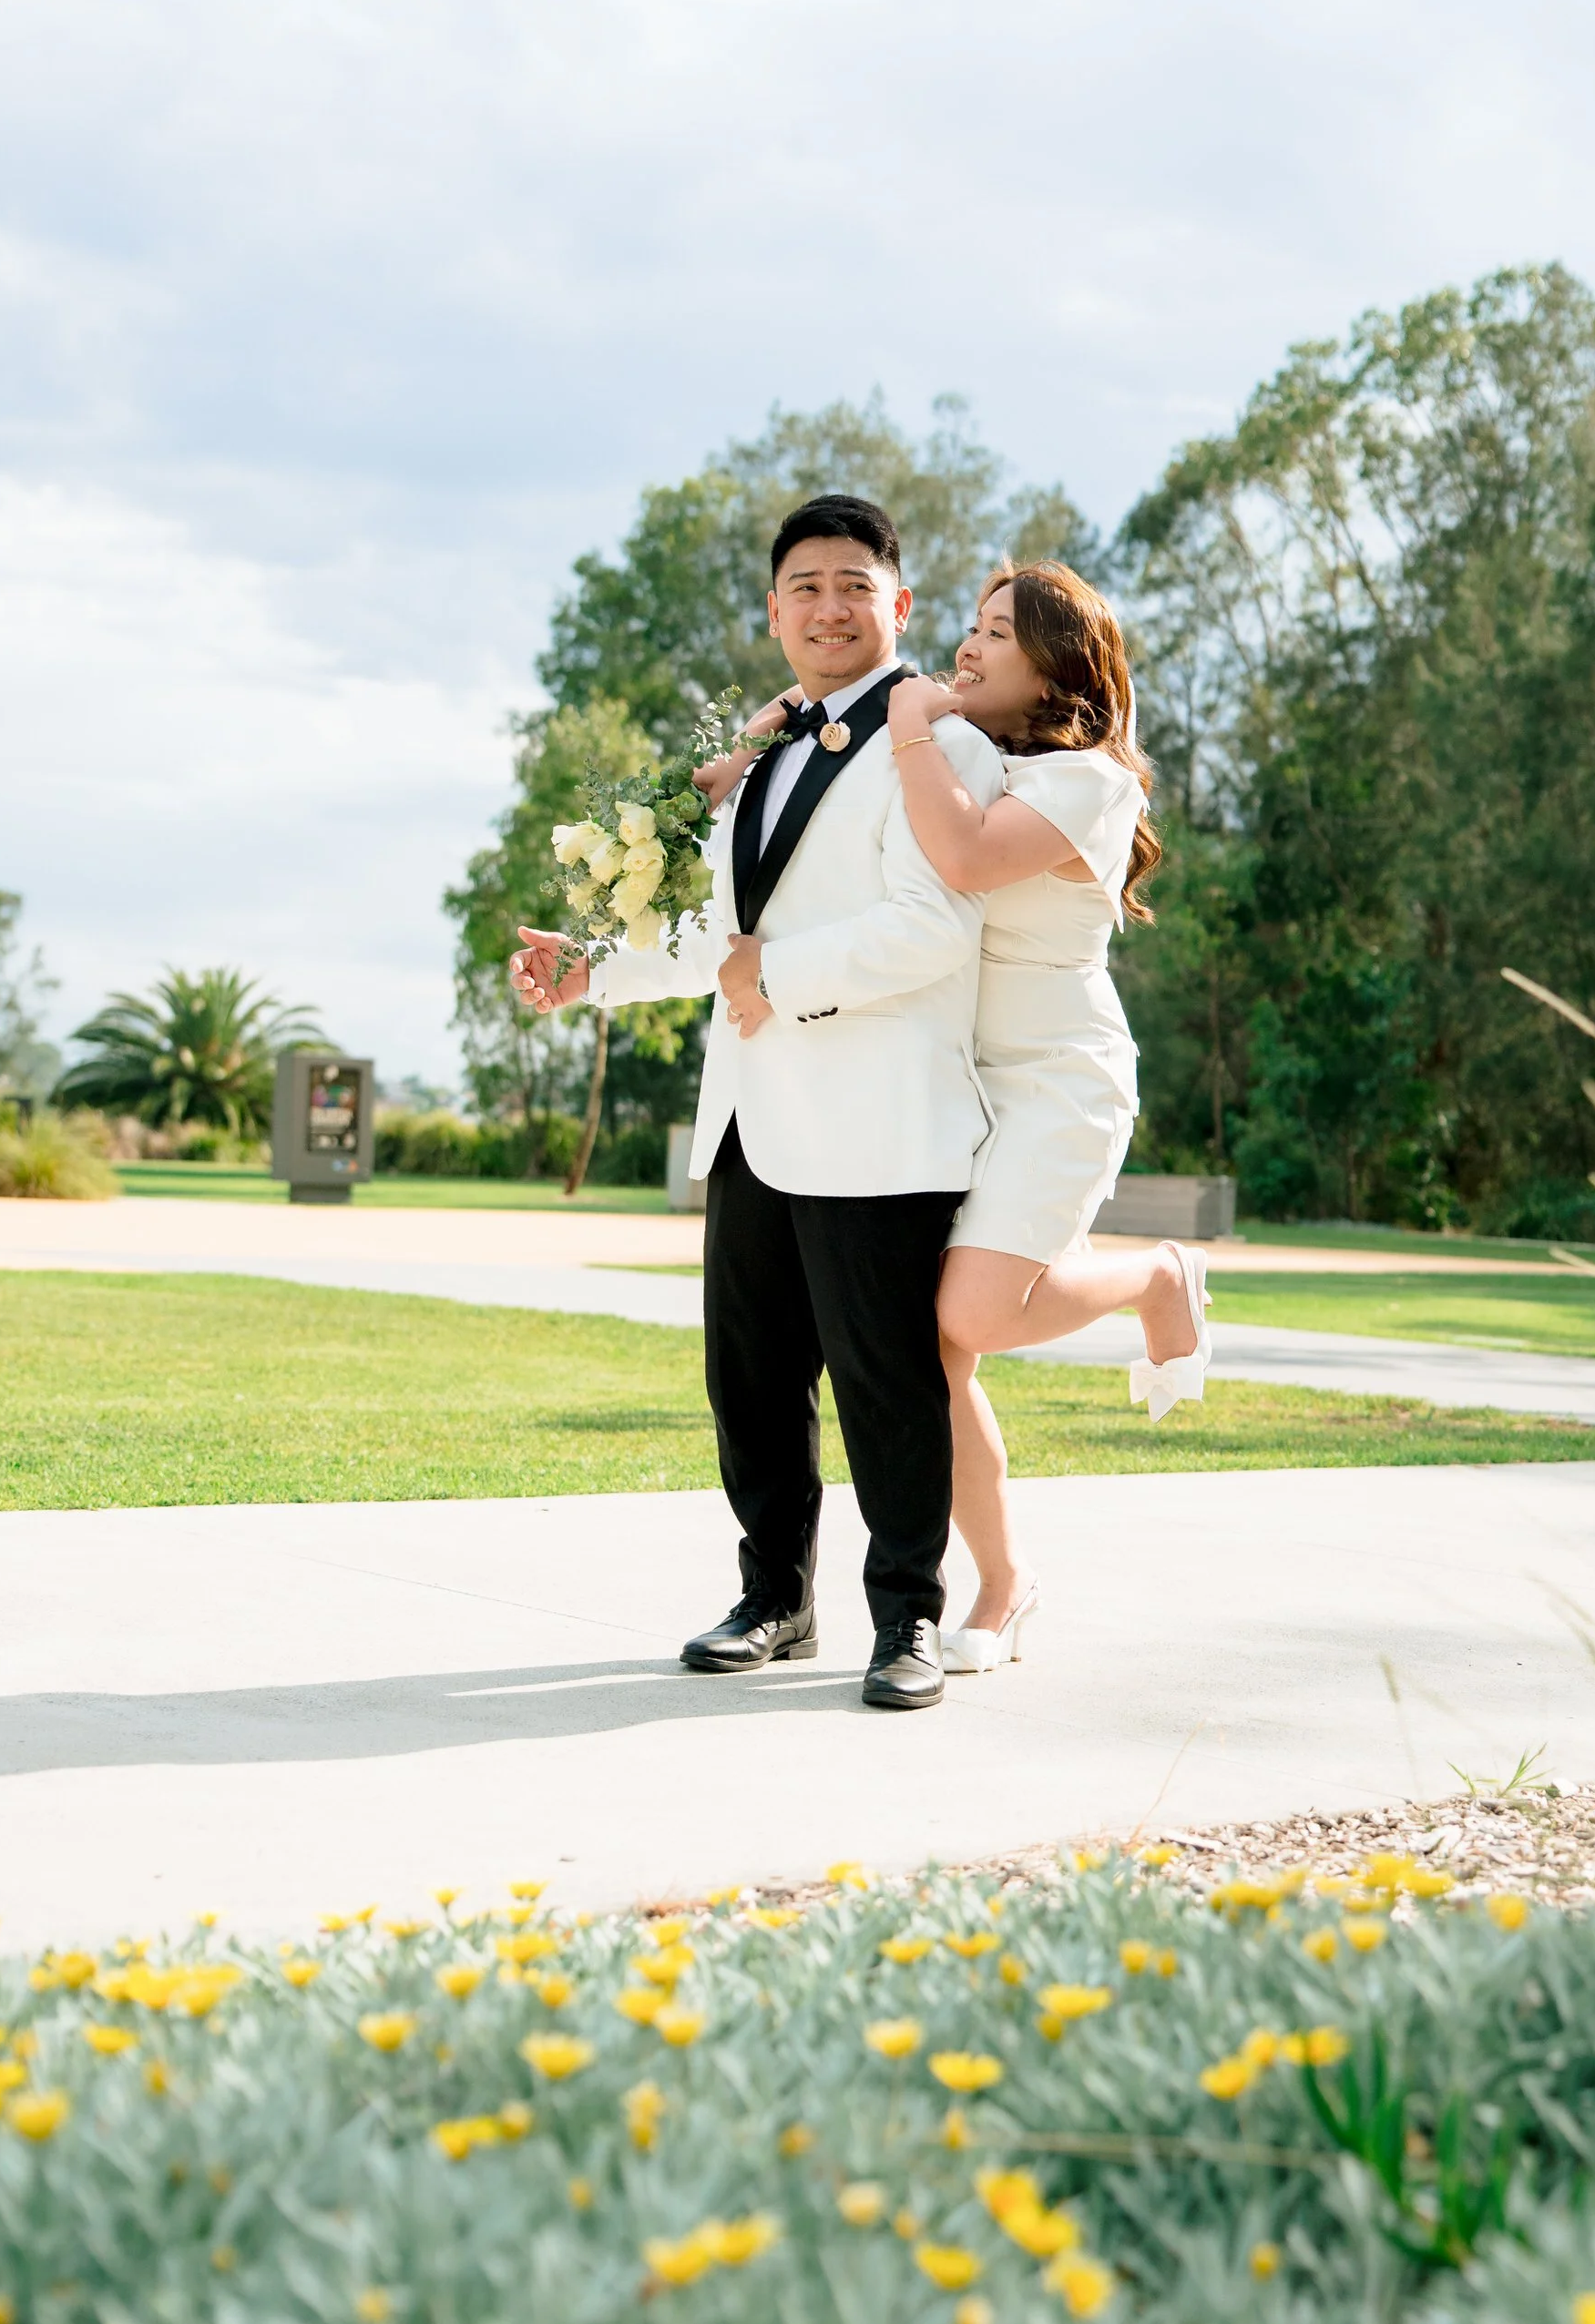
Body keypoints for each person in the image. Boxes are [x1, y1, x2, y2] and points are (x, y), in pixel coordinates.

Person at [508, 494, 1004, 1713]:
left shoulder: (939, 740)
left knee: (886, 1382)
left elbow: (933, 927)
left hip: (879, 1121)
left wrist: (771, 977)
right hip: (749, 1120)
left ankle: (909, 1619)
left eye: (852, 583)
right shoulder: (762, 750)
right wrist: (590, 972)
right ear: (775, 609)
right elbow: (719, 936)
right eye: (804, 587)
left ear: (901, 602)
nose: (828, 607)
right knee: (751, 1381)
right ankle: (775, 1596)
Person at [700, 561, 1210, 1678]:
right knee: (935, 1346)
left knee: (970, 1311)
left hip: (1055, 1079)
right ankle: (1004, 1578)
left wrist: (908, 724)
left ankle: (1156, 1275)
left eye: (997, 636)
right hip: (962, 1086)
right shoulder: (973, 753)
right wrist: (780, 738)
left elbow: (963, 855)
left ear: (1056, 668)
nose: (968, 651)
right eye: (969, 629)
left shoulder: (1087, 778)